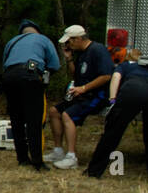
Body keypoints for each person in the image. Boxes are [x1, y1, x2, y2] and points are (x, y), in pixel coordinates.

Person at [86, 49, 148, 182]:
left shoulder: (124, 66)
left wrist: (112, 98)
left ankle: (94, 171)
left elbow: (116, 77)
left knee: (113, 133)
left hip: (132, 90)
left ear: (128, 58)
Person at [48, 25, 115, 169]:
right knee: (54, 111)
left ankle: (72, 157)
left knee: (67, 115)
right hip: (81, 94)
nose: (68, 45)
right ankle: (58, 151)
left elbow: (106, 76)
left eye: (69, 41)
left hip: (96, 95)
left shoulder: (98, 50)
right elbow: (76, 75)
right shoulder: (81, 53)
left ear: (78, 39)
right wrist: (69, 59)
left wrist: (84, 88)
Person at [0, 19, 61, 169]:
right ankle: (38, 162)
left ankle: (22, 158)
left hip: (9, 77)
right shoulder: (43, 39)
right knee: (34, 120)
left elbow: (5, 63)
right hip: (29, 75)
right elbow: (55, 64)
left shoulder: (12, 41)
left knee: (16, 120)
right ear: (37, 31)